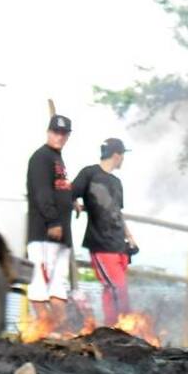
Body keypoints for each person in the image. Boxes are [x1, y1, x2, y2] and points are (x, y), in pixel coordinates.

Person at [72, 138, 137, 325]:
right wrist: (72, 201)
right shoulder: (89, 173)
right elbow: (70, 191)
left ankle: (111, 329)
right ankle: (121, 329)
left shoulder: (117, 182)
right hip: (101, 244)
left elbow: (117, 212)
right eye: (123, 155)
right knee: (118, 289)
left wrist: (129, 237)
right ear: (117, 155)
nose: (123, 159)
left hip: (119, 244)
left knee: (113, 291)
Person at [26, 115, 75, 325]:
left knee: (59, 285)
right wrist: (53, 221)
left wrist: (72, 203)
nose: (59, 136)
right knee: (40, 283)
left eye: (63, 133)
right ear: (48, 132)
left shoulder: (58, 159)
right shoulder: (41, 157)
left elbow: (59, 189)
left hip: (62, 235)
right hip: (44, 232)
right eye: (56, 132)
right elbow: (41, 192)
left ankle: (60, 330)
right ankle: (44, 330)